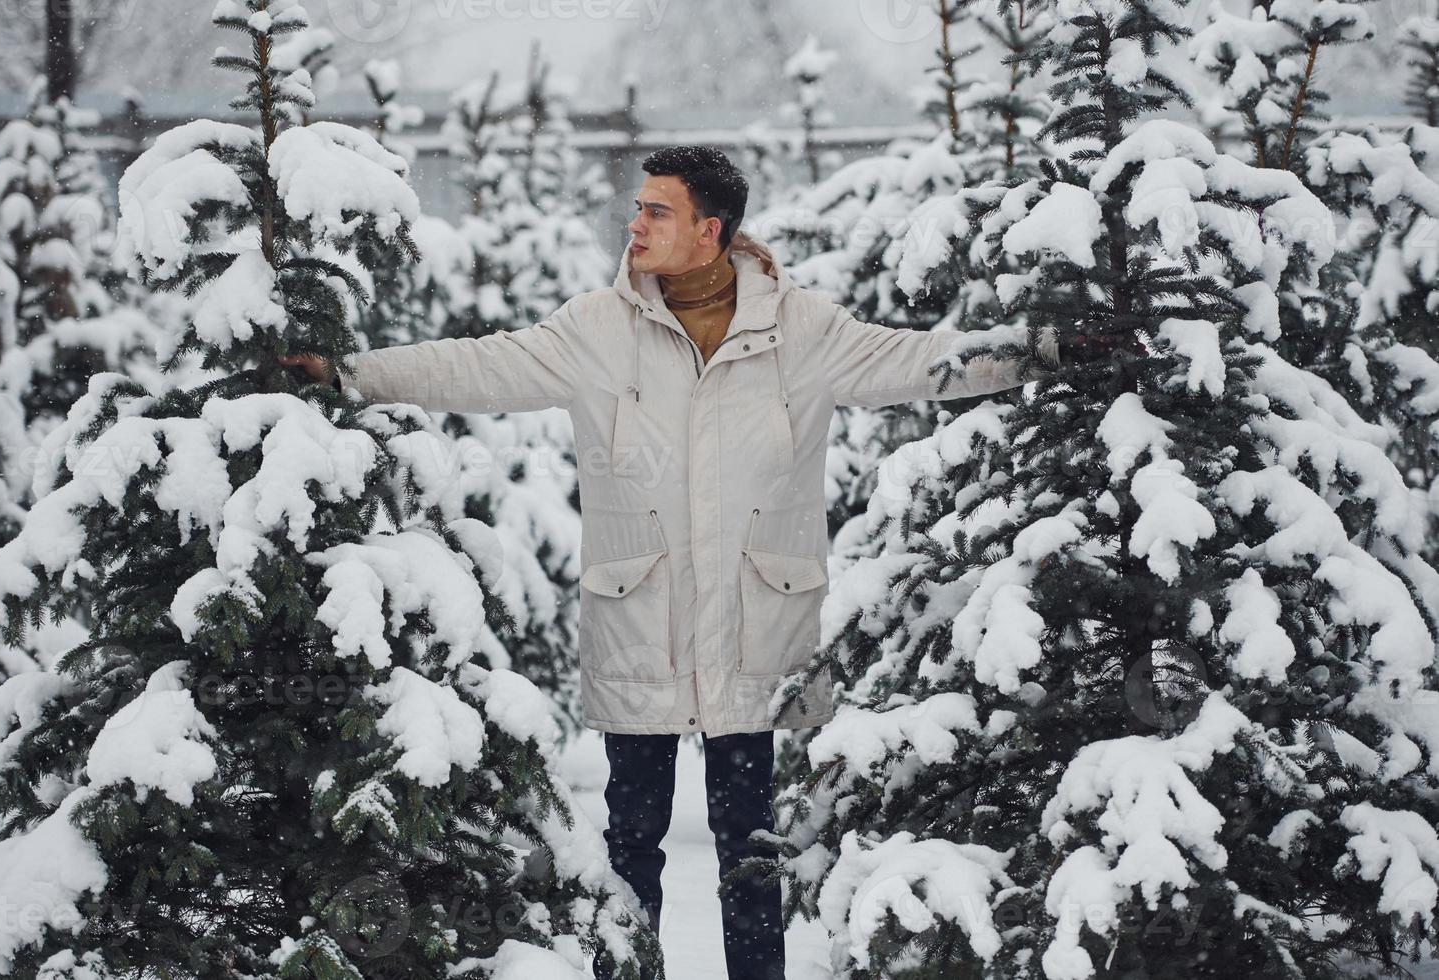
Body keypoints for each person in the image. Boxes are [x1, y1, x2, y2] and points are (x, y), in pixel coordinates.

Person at [282, 146, 1102, 979]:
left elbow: (921, 360)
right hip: (643, 622)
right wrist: (352, 375)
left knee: (750, 851)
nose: (634, 225)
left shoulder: (801, 329)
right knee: (630, 848)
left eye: (657, 212)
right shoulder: (596, 330)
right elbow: (475, 364)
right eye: (638, 208)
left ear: (710, 231)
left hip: (757, 628)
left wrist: (1047, 349)